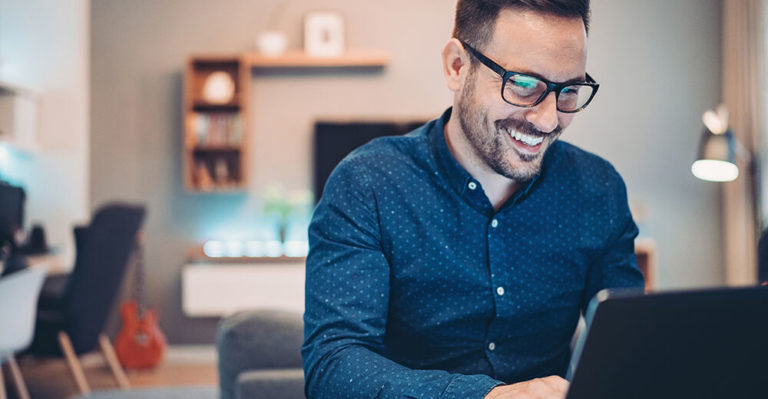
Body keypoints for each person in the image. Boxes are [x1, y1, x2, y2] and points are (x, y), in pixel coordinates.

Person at [302, 1, 645, 398]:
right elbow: (333, 368)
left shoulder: (598, 190)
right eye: (523, 84)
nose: (549, 119)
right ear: (456, 66)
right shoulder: (367, 185)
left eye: (568, 90)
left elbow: (628, 349)